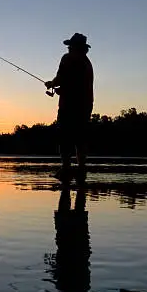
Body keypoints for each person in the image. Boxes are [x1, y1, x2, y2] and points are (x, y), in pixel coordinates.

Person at [45, 33, 94, 182]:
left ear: (74, 47)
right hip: (85, 106)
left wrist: (52, 84)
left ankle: (66, 169)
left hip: (69, 106)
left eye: (70, 46)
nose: (68, 48)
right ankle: (81, 171)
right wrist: (60, 88)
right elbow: (74, 84)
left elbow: (61, 78)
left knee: (65, 138)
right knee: (80, 139)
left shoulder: (68, 58)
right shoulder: (87, 63)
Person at [44, 185, 91, 292]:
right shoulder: (82, 285)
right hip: (78, 249)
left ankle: (68, 181)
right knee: (77, 211)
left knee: (72, 212)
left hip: (73, 248)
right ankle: (74, 180)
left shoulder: (74, 285)